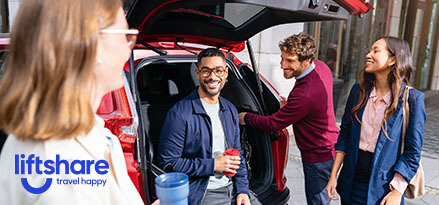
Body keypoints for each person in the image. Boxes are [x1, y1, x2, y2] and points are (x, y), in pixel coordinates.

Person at [0, 0, 144, 204]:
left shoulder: (86, 134)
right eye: (124, 35)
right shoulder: (66, 164)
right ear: (92, 46)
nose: (129, 47)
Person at [238, 32, 339, 204]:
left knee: (318, 201)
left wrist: (246, 117)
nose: (283, 65)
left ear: (307, 60)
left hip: (317, 155)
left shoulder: (304, 95)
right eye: (282, 58)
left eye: (290, 60)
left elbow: (273, 123)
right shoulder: (321, 67)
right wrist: (292, 107)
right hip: (329, 145)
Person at [325, 37, 425, 204]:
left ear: (393, 60)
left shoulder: (413, 99)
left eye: (376, 51)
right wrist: (333, 176)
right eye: (370, 50)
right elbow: (345, 134)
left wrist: (397, 191)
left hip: (385, 189)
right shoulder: (358, 91)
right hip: (351, 181)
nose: (368, 55)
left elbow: (412, 152)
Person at [158, 48, 260, 205]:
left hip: (232, 188)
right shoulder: (180, 113)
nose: (213, 77)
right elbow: (169, 163)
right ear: (198, 73)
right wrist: (213, 165)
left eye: (218, 71)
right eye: (206, 71)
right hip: (204, 191)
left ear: (225, 74)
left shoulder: (230, 109)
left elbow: (237, 153)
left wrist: (243, 190)